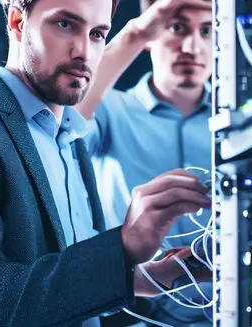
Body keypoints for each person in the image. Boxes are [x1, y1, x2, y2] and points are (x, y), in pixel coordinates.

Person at [0, 0, 212, 326]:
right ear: (18, 22)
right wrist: (123, 245)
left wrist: (149, 277)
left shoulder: (71, 141)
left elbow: (61, 286)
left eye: (97, 34)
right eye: (65, 25)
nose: (84, 52)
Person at [76, 0, 213, 324]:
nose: (192, 46)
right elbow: (63, 122)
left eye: (207, 30)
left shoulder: (241, 125)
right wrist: (134, 34)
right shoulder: (110, 110)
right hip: (131, 311)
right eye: (177, 28)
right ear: (152, 31)